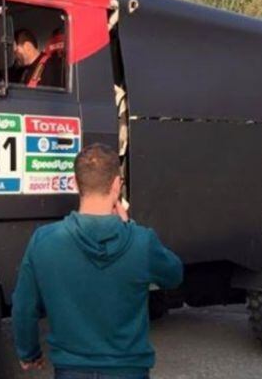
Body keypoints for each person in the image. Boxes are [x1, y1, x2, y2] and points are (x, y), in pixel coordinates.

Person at [12, 143, 183, 379]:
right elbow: (174, 275)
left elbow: (23, 307)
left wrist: (29, 353)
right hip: (129, 371)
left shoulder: (44, 240)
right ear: (116, 185)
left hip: (70, 370)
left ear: (75, 182)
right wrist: (129, 227)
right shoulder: (142, 242)